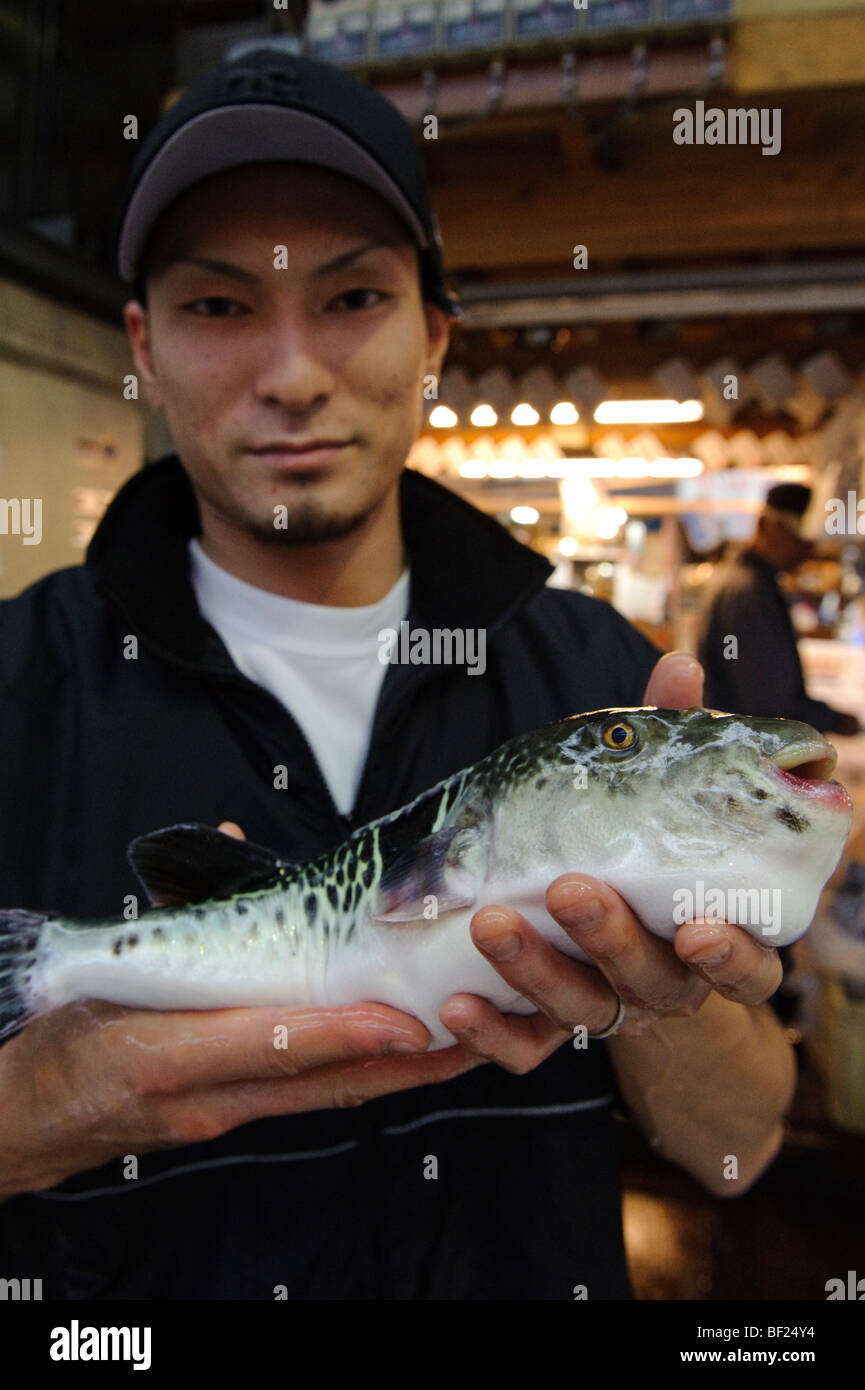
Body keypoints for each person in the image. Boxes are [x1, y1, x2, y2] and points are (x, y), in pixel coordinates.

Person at [0, 49, 796, 1300]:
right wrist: (41, 1104)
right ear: (142, 349)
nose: (293, 373)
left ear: (433, 331)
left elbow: (739, 1149)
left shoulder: (602, 685)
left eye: (353, 297)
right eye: (219, 307)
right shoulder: (17, 689)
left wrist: (669, 1004)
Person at [698, 482, 859, 735]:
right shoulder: (748, 593)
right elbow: (765, 698)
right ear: (764, 525)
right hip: (746, 744)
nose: (808, 550)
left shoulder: (742, 582)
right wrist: (835, 720)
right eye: (799, 538)